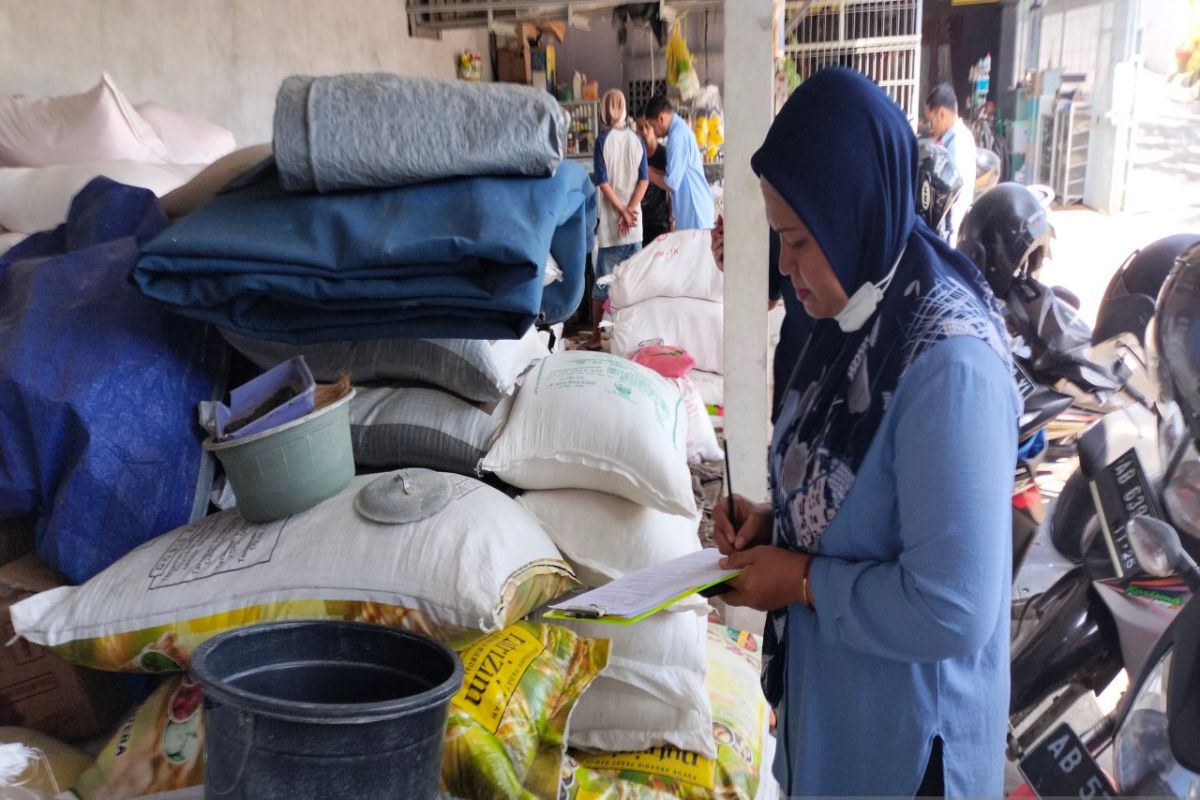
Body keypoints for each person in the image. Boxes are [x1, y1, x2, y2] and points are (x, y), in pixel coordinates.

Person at [714, 67, 1018, 797]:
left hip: (910, 751)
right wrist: (773, 527)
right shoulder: (849, 319)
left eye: (796, 241)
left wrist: (802, 579)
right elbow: (852, 491)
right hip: (841, 725)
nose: (784, 268)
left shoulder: (950, 367)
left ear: (852, 213)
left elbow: (954, 607)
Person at [586, 89, 649, 350]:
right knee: (634, 284)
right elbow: (644, 180)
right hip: (634, 227)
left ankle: (595, 337)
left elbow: (602, 182)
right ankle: (632, 338)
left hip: (613, 228)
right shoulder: (637, 141)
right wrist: (631, 210)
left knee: (602, 285)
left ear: (603, 111)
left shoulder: (603, 141)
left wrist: (621, 212)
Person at [644, 94, 714, 231]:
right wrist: (651, 170)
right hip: (692, 211)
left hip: (695, 212)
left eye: (652, 126)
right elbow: (672, 175)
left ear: (661, 118)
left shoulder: (677, 137)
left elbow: (672, 183)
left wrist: (649, 173)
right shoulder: (679, 130)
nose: (653, 132)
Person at [924, 83, 976, 243]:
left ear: (941, 114)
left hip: (950, 227)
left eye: (931, 121)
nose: (931, 128)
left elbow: (949, 192)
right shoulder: (955, 137)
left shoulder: (957, 143)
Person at [635, 111, 673, 245]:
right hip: (639, 222)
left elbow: (672, 189)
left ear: (653, 126)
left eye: (647, 126)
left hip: (659, 222)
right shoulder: (635, 154)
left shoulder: (664, 154)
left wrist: (672, 220)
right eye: (640, 127)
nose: (644, 131)